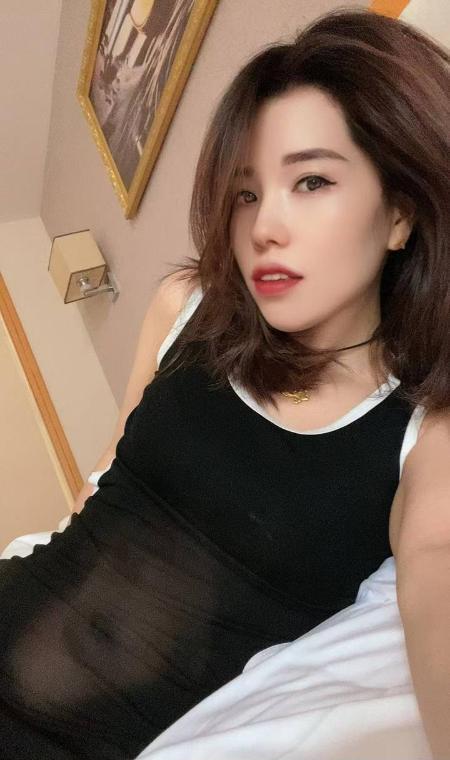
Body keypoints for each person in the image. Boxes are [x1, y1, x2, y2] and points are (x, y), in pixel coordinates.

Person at [1, 7, 449, 760]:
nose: (264, 226)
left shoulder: (423, 431)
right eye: (246, 193)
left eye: (311, 180)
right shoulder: (186, 305)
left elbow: (437, 567)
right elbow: (107, 480)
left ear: (400, 214)